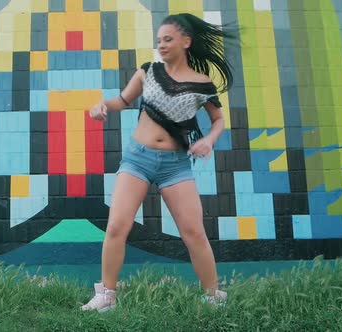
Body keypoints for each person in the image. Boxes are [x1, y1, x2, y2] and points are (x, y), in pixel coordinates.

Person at [81, 13, 236, 312]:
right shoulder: (148, 72)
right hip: (137, 160)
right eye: (159, 41)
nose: (162, 45)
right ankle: (106, 296)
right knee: (116, 226)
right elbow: (122, 101)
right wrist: (101, 106)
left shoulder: (202, 84)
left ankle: (213, 297)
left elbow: (218, 121)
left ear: (186, 42)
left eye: (168, 39)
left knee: (193, 232)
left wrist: (208, 140)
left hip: (175, 165)